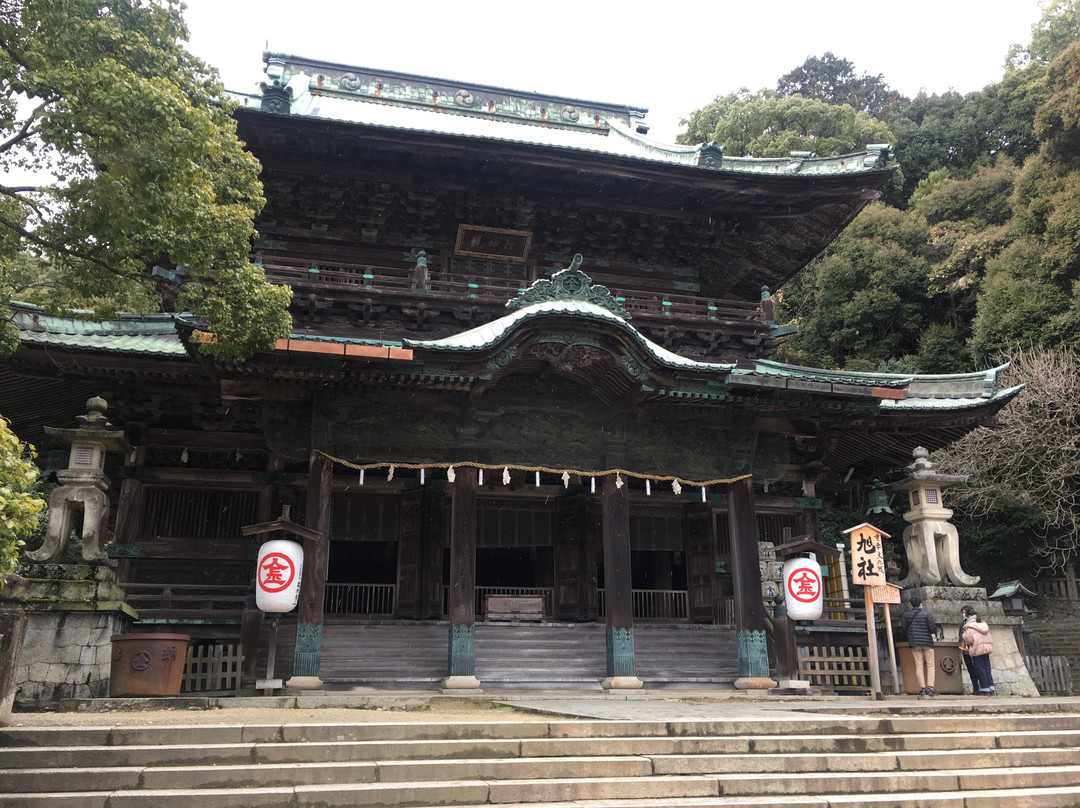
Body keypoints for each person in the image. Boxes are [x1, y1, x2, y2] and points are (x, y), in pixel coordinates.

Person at [900, 596, 940, 696]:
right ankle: (931, 688)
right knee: (931, 666)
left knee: (919, 666)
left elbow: (903, 629)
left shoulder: (906, 615)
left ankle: (922, 689)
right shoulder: (926, 615)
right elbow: (932, 629)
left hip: (914, 642)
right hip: (927, 642)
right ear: (920, 604)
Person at [960, 605, 995, 695]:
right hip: (985, 648)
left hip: (976, 649)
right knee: (987, 668)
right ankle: (991, 687)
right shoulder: (982, 623)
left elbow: (969, 639)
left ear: (968, 615)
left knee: (980, 669)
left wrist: (964, 635)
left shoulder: (970, 625)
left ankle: (984, 688)